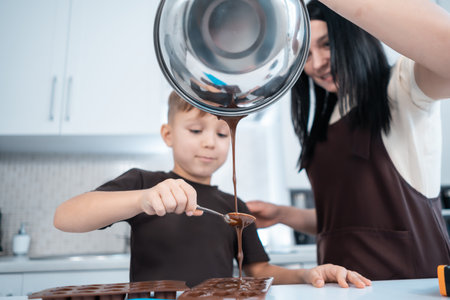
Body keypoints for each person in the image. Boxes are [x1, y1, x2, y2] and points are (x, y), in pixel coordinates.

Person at [53, 91, 371, 288]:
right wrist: (142, 199)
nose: (210, 142)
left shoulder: (234, 205)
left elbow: (256, 269)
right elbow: (65, 217)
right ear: (168, 134)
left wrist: (306, 275)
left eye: (222, 134)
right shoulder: (145, 183)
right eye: (195, 130)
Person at [247, 0, 450, 280]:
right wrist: (282, 214)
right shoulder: (325, 121)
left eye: (327, 44)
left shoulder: (401, 89)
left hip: (409, 283)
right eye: (305, 54)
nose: (317, 64)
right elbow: (344, 222)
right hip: (341, 287)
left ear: (355, 35)